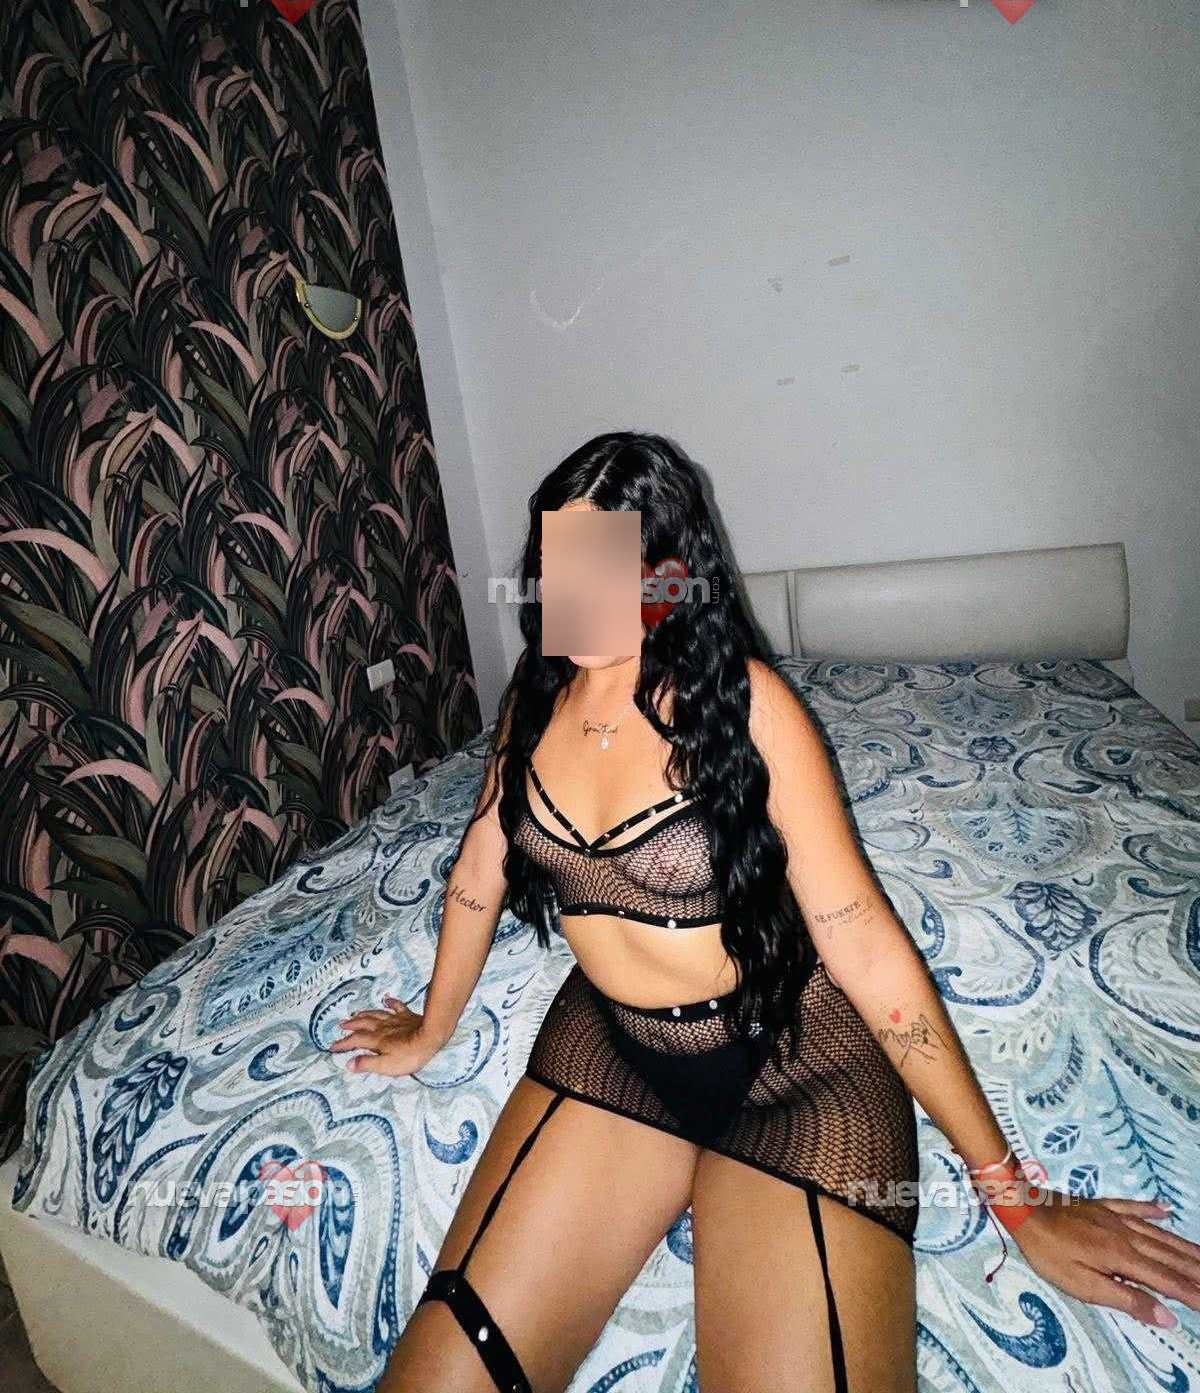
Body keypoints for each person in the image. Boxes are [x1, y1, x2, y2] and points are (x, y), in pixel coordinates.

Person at [335, 432, 1200, 1393]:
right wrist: (433, 1025)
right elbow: (479, 864)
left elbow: (864, 943)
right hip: (613, 1048)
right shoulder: (533, 703)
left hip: (797, 1068)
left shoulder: (752, 711)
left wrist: (1016, 1199)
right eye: (556, 561)